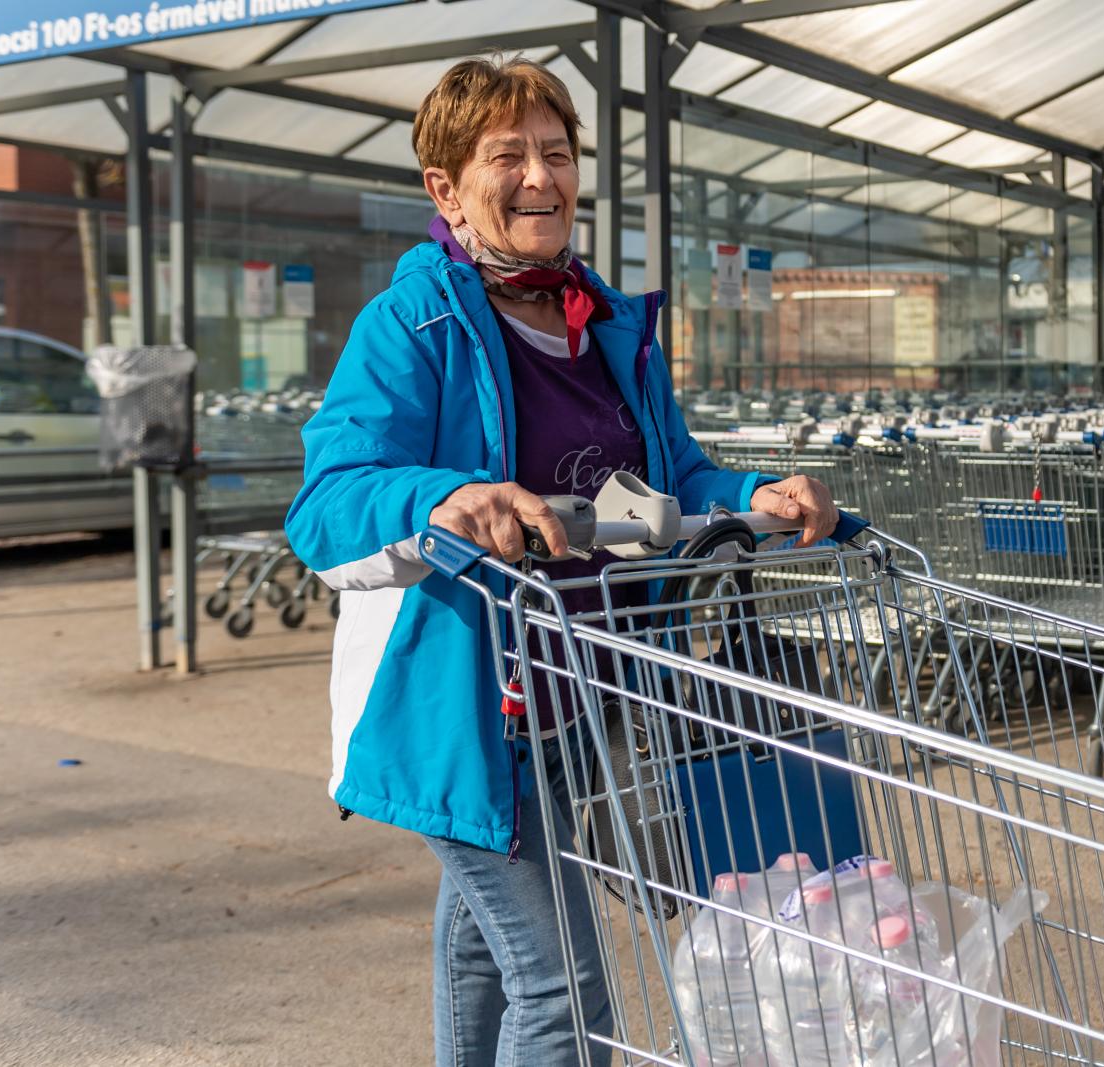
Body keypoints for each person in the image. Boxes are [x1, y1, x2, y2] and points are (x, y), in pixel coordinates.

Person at [284, 56, 843, 1067]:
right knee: (568, 995)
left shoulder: (611, 329)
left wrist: (751, 494)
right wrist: (444, 497)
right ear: (446, 189)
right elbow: (325, 507)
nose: (541, 176)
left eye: (556, 151)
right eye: (509, 156)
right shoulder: (413, 324)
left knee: (483, 956)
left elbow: (658, 489)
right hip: (455, 706)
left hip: (577, 697)